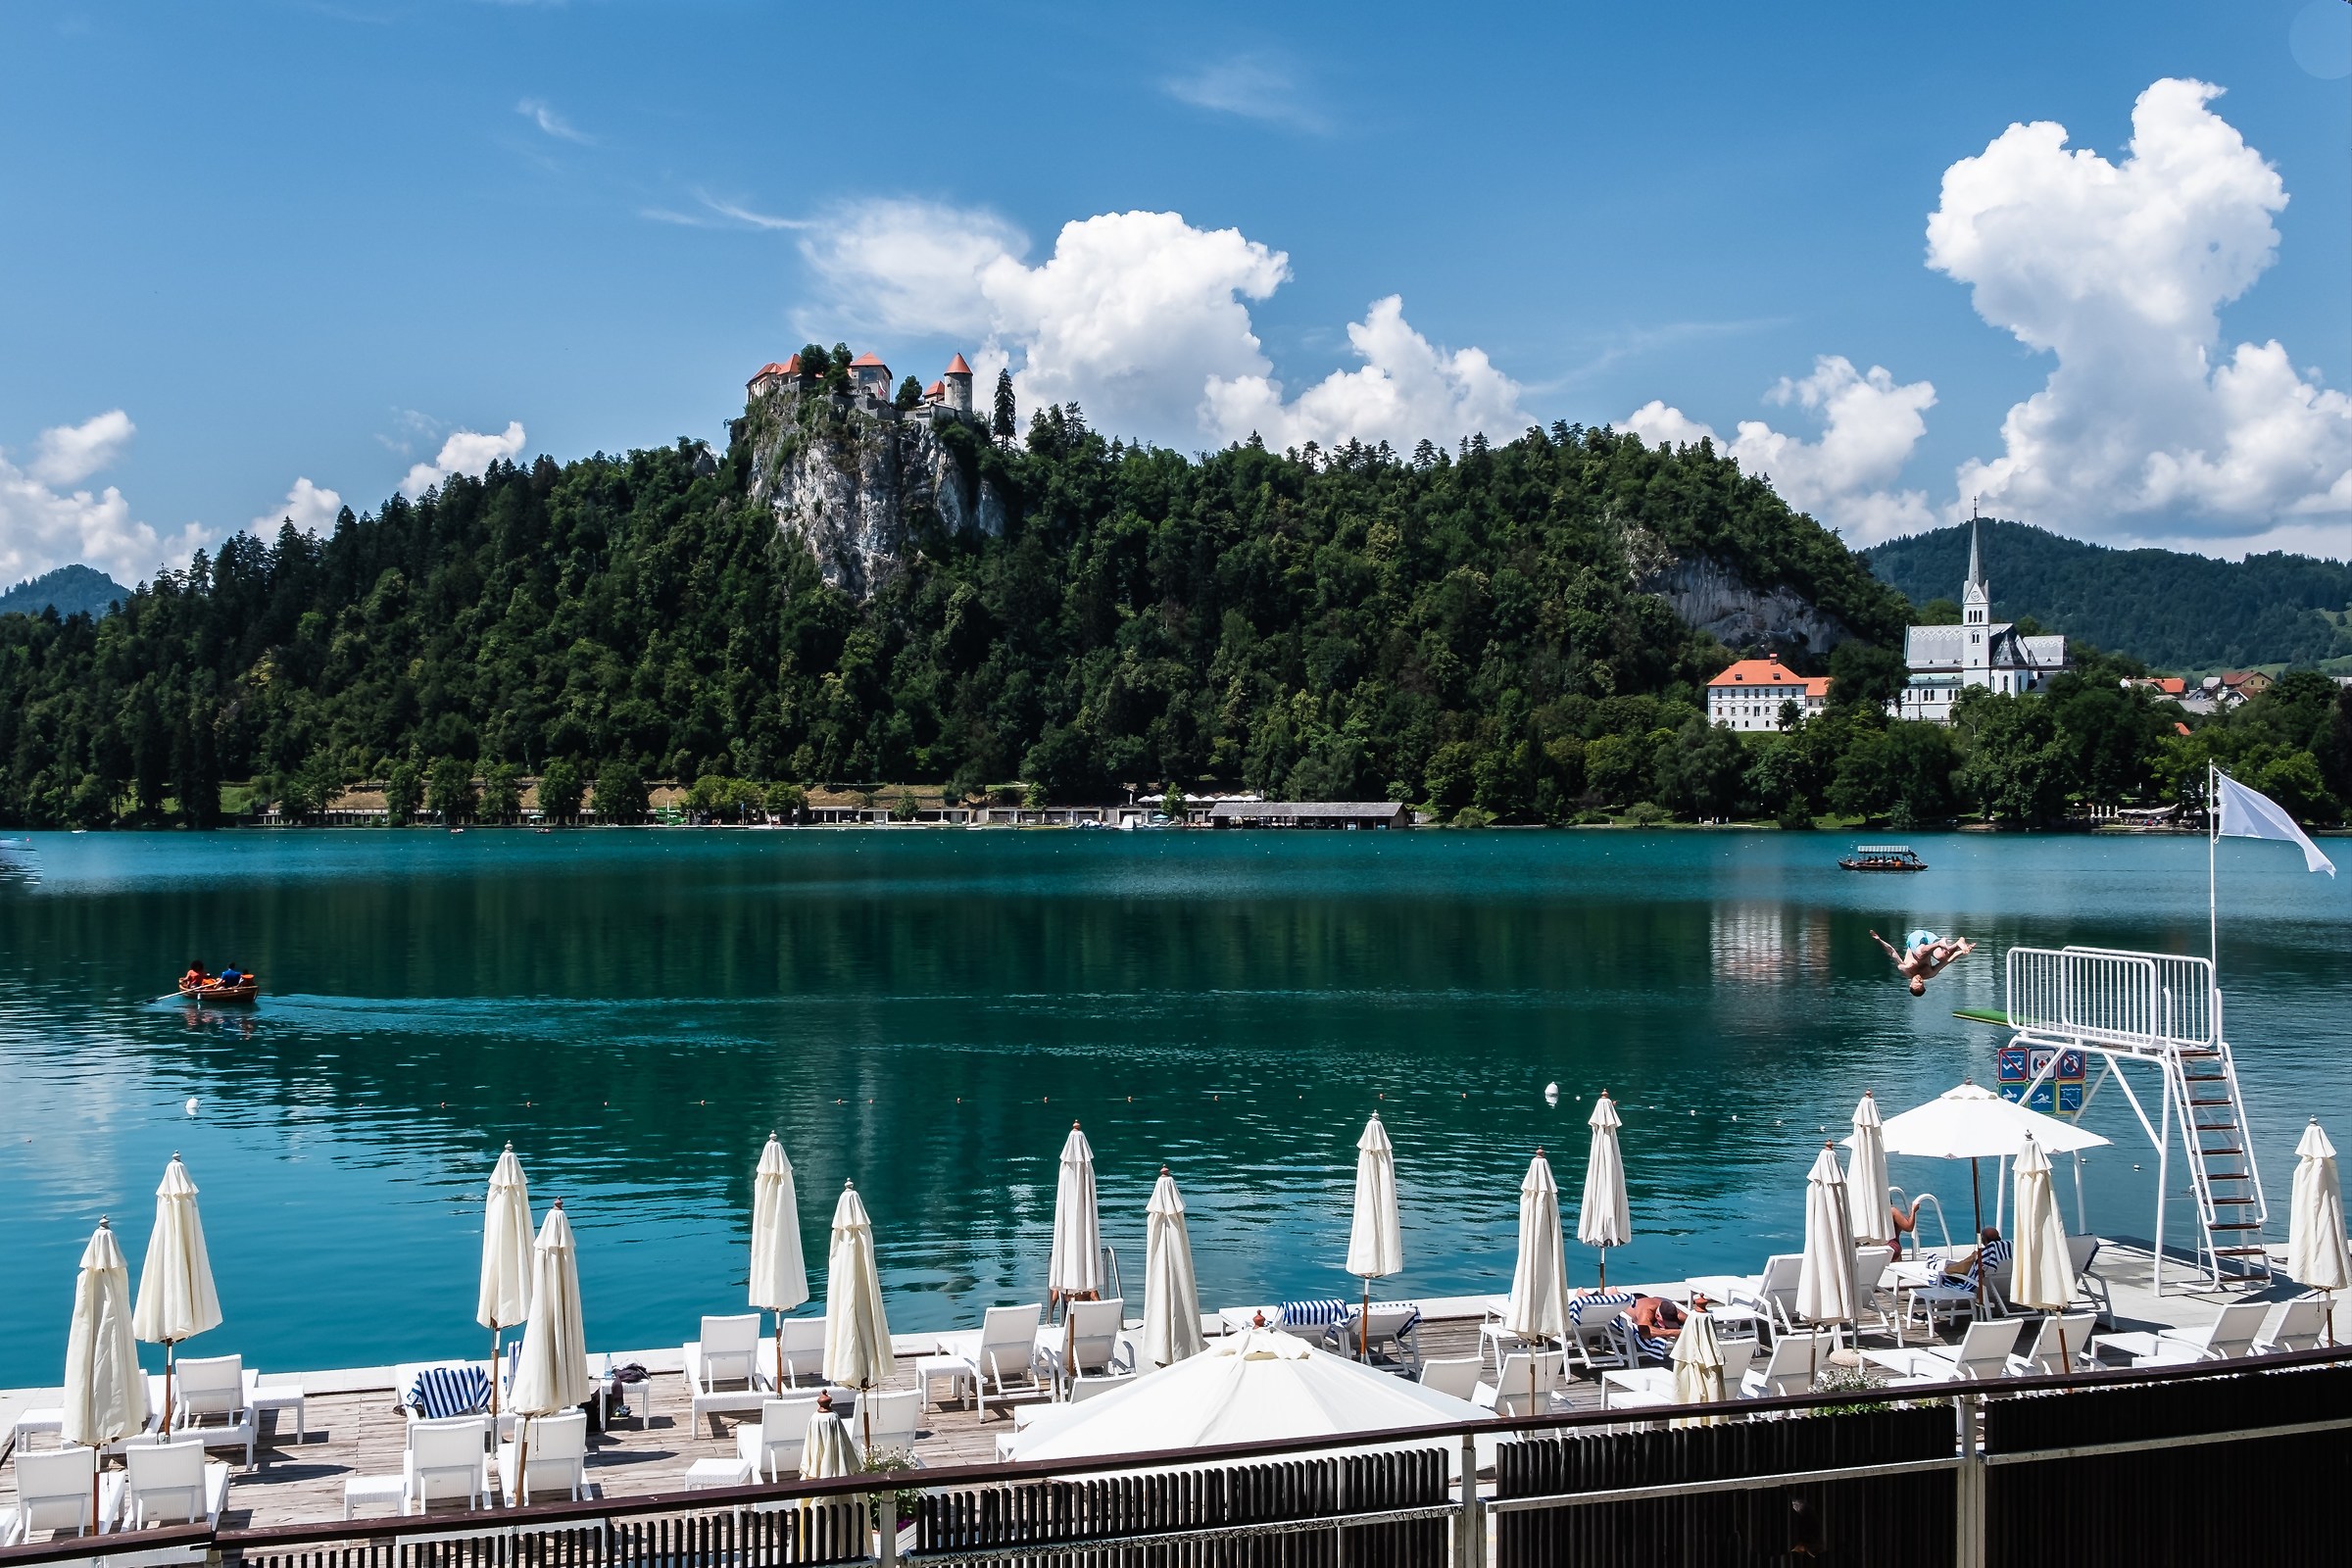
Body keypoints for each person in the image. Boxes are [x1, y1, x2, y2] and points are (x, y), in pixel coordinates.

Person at [1869, 928, 1977, 996]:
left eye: (1916, 983)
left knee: (1919, 954)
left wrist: (1879, 940)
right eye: (1921, 983)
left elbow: (1892, 952)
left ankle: (1939, 943)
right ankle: (1959, 942)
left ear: (1910, 984)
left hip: (1916, 937)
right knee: (1941, 957)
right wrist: (1962, 952)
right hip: (1929, 939)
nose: (1919, 980)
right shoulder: (1930, 973)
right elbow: (1948, 961)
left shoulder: (1905, 969)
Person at [1937, 1226, 2011, 1289]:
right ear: (1999, 1238)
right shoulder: (2008, 1255)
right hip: (2000, 1288)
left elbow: (1959, 1268)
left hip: (1976, 1286)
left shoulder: (1982, 1256)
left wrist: (1948, 1268)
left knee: (1944, 1271)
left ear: (1982, 1240)